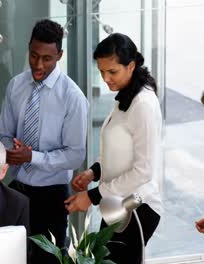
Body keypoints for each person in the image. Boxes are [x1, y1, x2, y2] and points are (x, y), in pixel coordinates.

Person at [0, 19, 89, 264]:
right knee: (10, 258)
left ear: (59, 55)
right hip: (16, 190)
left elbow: (75, 155)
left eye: (47, 59)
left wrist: (32, 157)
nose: (38, 64)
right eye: (34, 55)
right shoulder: (16, 85)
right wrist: (8, 150)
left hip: (52, 197)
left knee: (48, 261)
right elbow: (2, 134)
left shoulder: (72, 98)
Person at [65, 33, 163, 264]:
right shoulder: (125, 97)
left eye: (112, 72)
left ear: (130, 66)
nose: (105, 78)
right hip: (118, 204)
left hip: (137, 207)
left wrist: (92, 195)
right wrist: (94, 172)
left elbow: (143, 171)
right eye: (101, 71)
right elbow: (119, 150)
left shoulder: (143, 105)